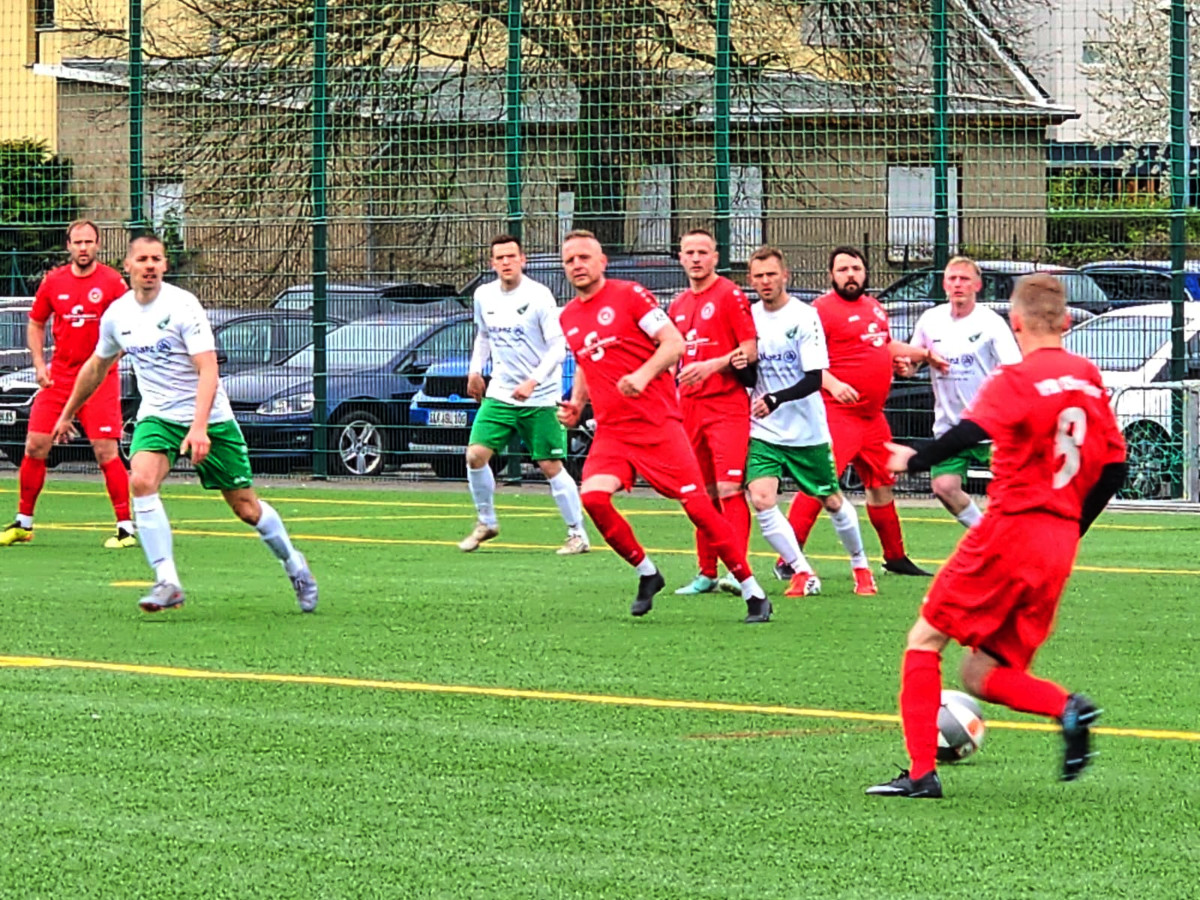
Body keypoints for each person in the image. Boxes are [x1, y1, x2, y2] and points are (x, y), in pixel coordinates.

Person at [866, 273, 1127, 799]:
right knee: (982, 672)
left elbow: (969, 431)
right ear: (1069, 322)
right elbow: (1115, 467)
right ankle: (1067, 708)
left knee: (924, 640)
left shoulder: (1018, 378)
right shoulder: (1087, 377)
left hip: (1010, 529)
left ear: (1015, 322)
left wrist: (914, 458)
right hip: (1057, 543)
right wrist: (1073, 527)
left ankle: (920, 774)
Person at [50, 234, 319, 613]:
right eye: (142, 259)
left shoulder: (182, 306)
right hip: (158, 416)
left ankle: (294, 564)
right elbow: (97, 366)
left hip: (209, 417)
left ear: (164, 265)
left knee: (246, 509)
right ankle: (167, 581)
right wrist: (66, 413)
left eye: (156, 259)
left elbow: (208, 368)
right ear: (127, 266)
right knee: (141, 480)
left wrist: (199, 428)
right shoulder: (118, 315)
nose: (150, 266)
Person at [555, 229, 771, 623]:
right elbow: (587, 361)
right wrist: (577, 405)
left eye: (584, 257)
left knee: (701, 508)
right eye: (570, 260)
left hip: (658, 425)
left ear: (602, 262)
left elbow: (673, 344)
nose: (577, 266)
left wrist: (642, 375)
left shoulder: (630, 295)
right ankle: (647, 572)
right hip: (613, 432)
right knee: (593, 498)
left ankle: (753, 591)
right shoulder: (568, 316)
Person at [780, 246, 947, 579]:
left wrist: (920, 355)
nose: (850, 274)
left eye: (855, 268)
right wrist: (831, 383)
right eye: (843, 269)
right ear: (831, 275)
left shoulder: (874, 308)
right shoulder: (820, 311)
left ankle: (895, 557)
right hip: (837, 414)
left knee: (882, 484)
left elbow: (882, 346)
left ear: (865, 272)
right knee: (819, 484)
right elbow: (803, 359)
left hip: (872, 418)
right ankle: (788, 560)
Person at [734, 246, 876, 597]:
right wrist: (741, 368)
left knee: (831, 500)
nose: (765, 282)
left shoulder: (804, 316)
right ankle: (801, 570)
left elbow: (814, 378)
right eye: (758, 276)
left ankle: (860, 564)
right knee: (762, 498)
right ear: (750, 281)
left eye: (771, 274)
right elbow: (751, 376)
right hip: (764, 430)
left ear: (786, 276)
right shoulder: (748, 317)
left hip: (806, 430)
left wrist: (775, 399)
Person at [0, 220, 134, 549]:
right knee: (34, 445)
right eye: (78, 242)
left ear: (98, 245)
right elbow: (35, 323)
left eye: (89, 241)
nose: (84, 247)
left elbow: (129, 327)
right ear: (68, 246)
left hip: (100, 378)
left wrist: (110, 361)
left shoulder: (112, 283)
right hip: (60, 376)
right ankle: (23, 523)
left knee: (105, 451)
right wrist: (39, 365)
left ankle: (125, 526)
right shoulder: (54, 281)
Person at [458, 234, 590, 555]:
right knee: (475, 455)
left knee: (549, 465)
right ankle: (486, 521)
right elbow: (484, 336)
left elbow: (558, 348)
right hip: (501, 393)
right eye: (499, 258)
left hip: (540, 396)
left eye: (511, 257)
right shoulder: (484, 295)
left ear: (522, 260)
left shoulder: (539, 297)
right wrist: (475, 371)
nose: (505, 262)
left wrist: (533, 381)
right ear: (492, 263)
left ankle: (577, 534)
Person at [667, 228, 758, 597]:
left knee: (729, 488)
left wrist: (713, 365)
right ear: (681, 257)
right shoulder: (677, 305)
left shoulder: (729, 295)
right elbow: (672, 355)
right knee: (699, 493)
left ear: (716, 257)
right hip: (689, 407)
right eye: (689, 252)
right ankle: (706, 572)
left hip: (726, 406)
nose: (696, 258)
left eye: (703, 251)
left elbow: (749, 349)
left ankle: (739, 571)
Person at [903, 256, 1021, 528]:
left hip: (990, 427)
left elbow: (1013, 369)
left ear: (977, 285)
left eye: (964, 279)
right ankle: (986, 536)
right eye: (952, 279)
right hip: (950, 427)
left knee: (1014, 492)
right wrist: (904, 365)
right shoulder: (930, 320)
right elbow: (911, 363)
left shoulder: (990, 323)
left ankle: (1022, 541)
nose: (958, 284)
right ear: (944, 284)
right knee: (944, 486)